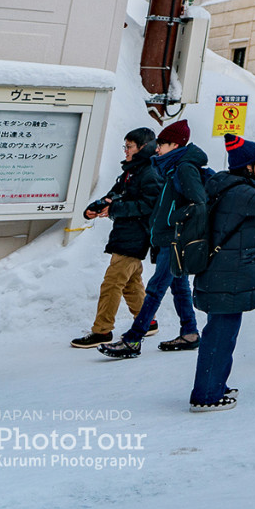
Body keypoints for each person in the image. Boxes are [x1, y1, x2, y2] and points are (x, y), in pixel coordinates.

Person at [189, 136, 255, 411]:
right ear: (248, 166)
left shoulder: (234, 186)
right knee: (220, 337)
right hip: (227, 277)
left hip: (223, 275)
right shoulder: (238, 193)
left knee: (223, 334)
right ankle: (206, 396)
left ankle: (215, 386)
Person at [102, 119, 206, 358]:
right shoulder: (171, 166)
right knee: (179, 287)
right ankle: (190, 332)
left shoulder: (184, 168)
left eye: (162, 144)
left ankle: (133, 339)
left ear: (176, 144)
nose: (157, 148)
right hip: (168, 237)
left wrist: (171, 220)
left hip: (174, 238)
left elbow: (197, 203)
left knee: (156, 288)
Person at [72, 128, 160, 349]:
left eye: (129, 147)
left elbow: (150, 205)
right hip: (125, 233)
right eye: (125, 146)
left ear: (143, 148)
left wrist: (115, 208)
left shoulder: (150, 172)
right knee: (131, 282)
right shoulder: (131, 171)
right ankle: (147, 321)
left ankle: (102, 330)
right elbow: (115, 194)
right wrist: (97, 206)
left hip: (136, 235)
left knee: (112, 283)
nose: (126, 151)